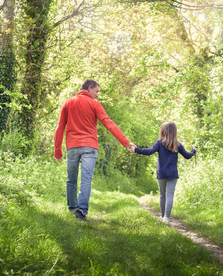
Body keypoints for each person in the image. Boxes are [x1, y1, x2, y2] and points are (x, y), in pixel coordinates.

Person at [54, 79, 136, 221]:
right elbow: (108, 123)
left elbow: (60, 127)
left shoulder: (69, 102)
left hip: (72, 146)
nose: (97, 95)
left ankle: (72, 209)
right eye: (97, 91)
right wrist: (126, 142)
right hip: (90, 147)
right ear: (90, 88)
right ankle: (81, 211)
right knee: (86, 179)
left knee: (71, 180)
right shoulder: (94, 104)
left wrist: (57, 151)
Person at [131, 122, 197, 225]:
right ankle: (166, 217)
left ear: (163, 131)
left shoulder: (159, 143)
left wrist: (136, 149)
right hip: (172, 174)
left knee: (162, 195)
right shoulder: (178, 145)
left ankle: (162, 217)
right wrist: (194, 150)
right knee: (170, 195)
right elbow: (188, 156)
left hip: (161, 174)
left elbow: (149, 152)